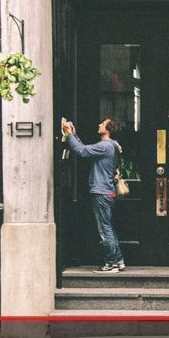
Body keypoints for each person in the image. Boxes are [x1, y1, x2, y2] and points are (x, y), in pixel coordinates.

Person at [62, 116, 125, 273]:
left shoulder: (105, 146)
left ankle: (111, 263)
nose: (99, 125)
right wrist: (74, 135)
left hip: (101, 191)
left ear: (108, 129)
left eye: (102, 124)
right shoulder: (113, 146)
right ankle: (118, 260)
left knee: (105, 229)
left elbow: (82, 151)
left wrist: (69, 134)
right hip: (107, 191)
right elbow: (84, 147)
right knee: (108, 226)